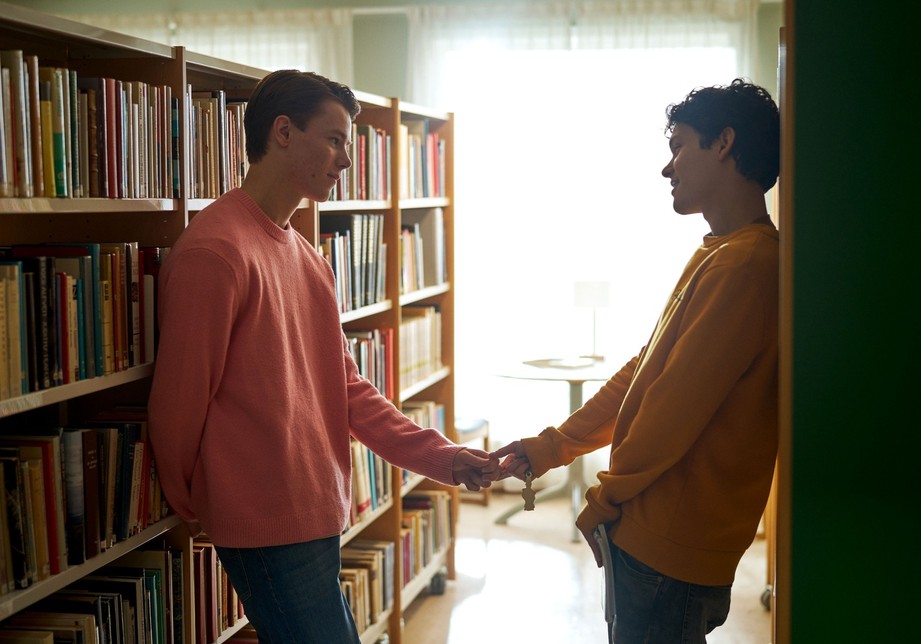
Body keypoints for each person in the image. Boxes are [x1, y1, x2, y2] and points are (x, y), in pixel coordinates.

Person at [148, 69, 498, 644]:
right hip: (264, 522)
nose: (345, 160)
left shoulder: (309, 259)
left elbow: (348, 391)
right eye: (334, 140)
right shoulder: (215, 252)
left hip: (317, 509)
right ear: (283, 132)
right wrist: (201, 502)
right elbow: (179, 404)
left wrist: (443, 458)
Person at [492, 78, 780, 643]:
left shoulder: (745, 266)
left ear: (724, 143)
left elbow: (671, 410)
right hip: (654, 539)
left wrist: (604, 497)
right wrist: (552, 447)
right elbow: (644, 373)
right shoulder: (720, 252)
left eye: (679, 145)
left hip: (668, 549)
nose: (668, 167)